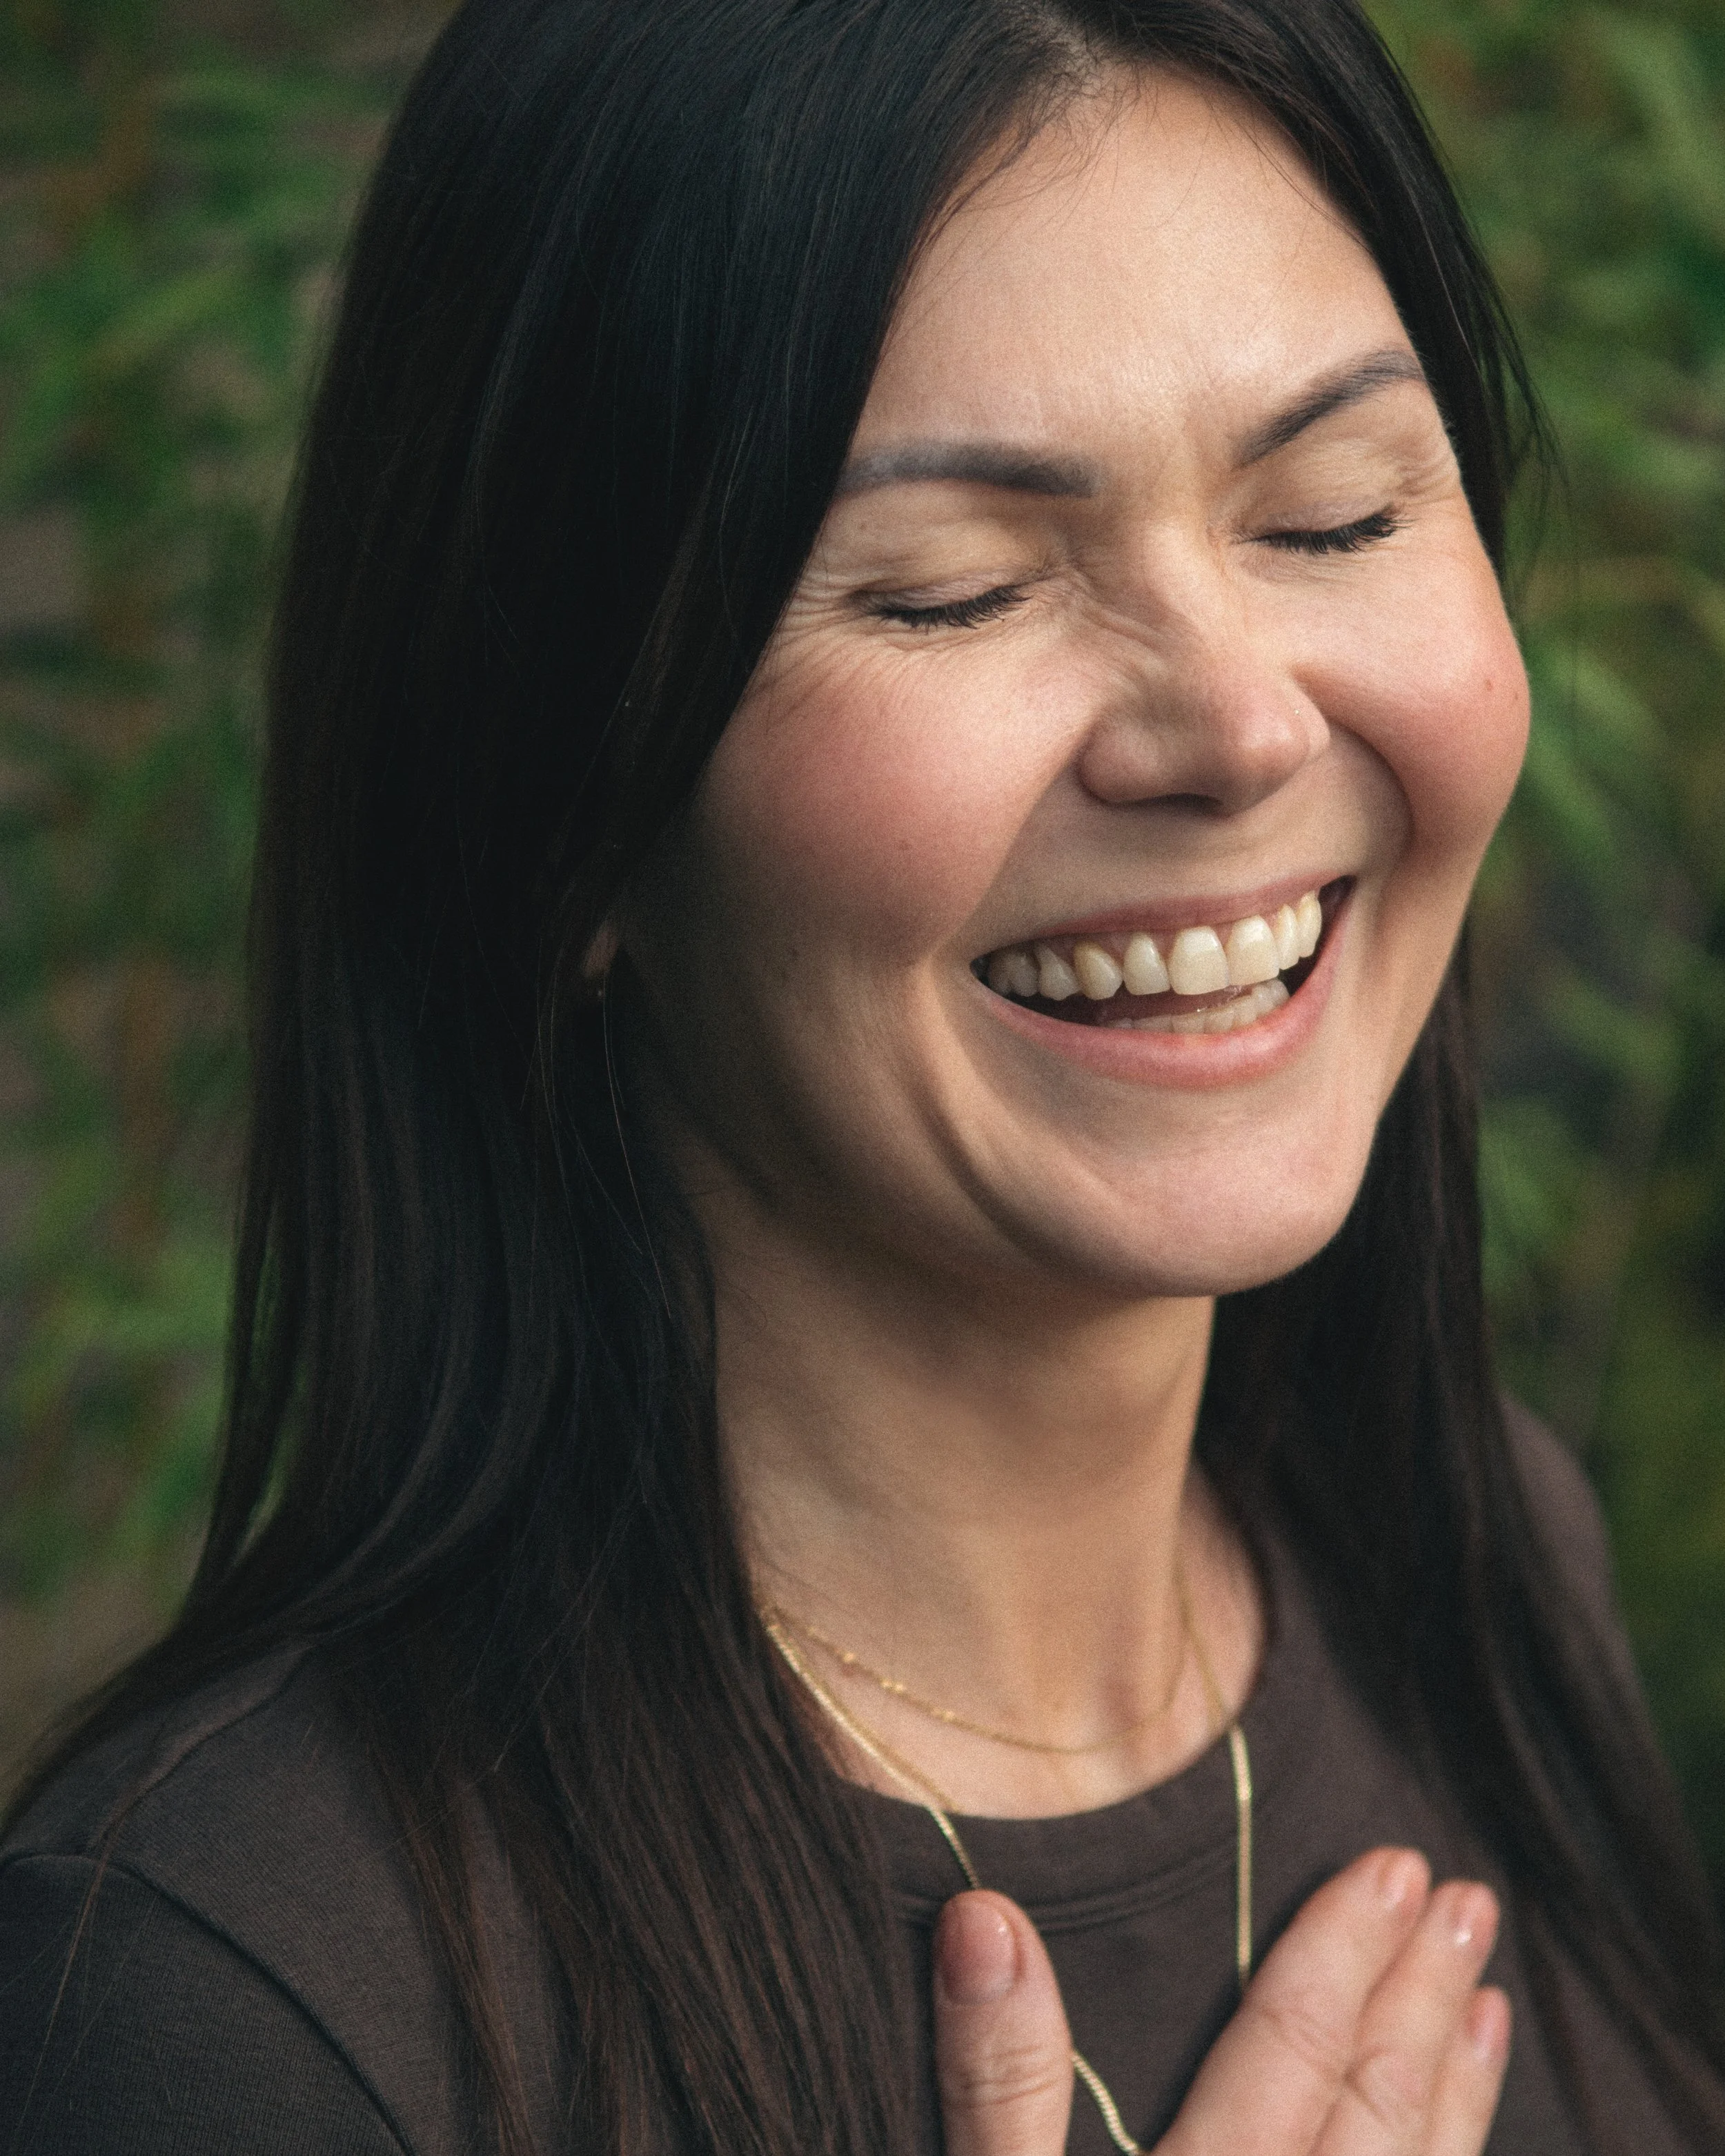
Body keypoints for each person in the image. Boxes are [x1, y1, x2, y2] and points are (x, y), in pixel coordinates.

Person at [3, 2, 1722, 2152]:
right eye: (952, 589)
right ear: (562, 803)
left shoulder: (1473, 1558)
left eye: (1333, 517)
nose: (1238, 726)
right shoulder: (234, 1993)